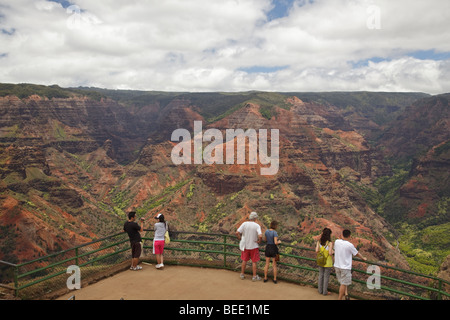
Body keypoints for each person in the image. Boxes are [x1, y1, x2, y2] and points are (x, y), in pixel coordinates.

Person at [333, 229, 367, 300]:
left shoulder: (337, 242)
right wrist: (363, 258)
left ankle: (346, 294)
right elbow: (356, 254)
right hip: (345, 267)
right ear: (349, 236)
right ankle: (339, 298)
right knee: (343, 284)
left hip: (337, 266)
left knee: (342, 283)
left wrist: (340, 238)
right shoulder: (350, 245)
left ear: (342, 234)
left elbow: (338, 243)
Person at [236, 211, 263, 281]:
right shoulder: (257, 226)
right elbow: (260, 235)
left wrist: (239, 238)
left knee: (244, 260)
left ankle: (242, 274)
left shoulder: (244, 224)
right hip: (254, 246)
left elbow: (237, 232)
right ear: (255, 218)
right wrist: (259, 241)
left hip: (245, 246)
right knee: (254, 262)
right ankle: (254, 276)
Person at [315, 227, 333, 295]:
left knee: (320, 275)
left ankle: (320, 290)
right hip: (327, 262)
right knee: (326, 277)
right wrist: (333, 251)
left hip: (320, 261)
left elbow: (317, 250)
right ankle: (325, 292)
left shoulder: (319, 241)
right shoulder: (329, 243)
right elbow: (330, 253)